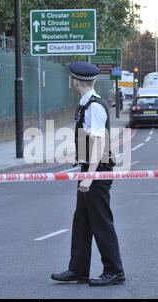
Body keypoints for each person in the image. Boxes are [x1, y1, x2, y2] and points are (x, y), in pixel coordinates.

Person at [51, 62, 125, 286]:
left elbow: (99, 143)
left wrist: (90, 176)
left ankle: (114, 271)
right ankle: (78, 269)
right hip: (91, 168)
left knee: (101, 221)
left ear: (75, 82)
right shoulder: (87, 103)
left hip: (97, 170)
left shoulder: (93, 106)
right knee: (81, 221)